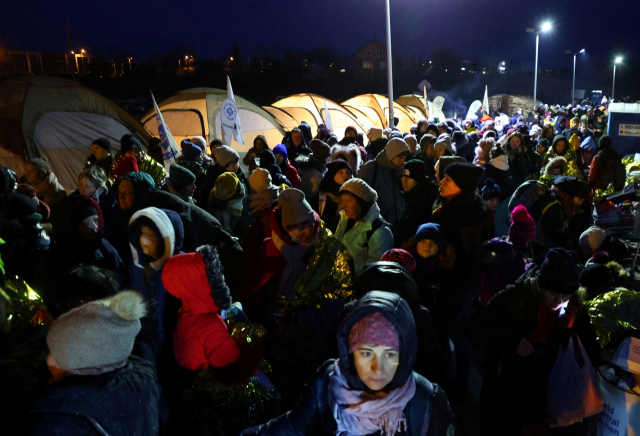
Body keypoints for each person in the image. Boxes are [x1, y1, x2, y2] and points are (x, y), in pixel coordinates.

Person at [241, 291, 456, 436]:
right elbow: (295, 426)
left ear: (404, 354)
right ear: (350, 352)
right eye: (366, 353)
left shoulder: (426, 401)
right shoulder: (329, 381)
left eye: (389, 355)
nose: (377, 368)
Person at [474, 248, 601, 435]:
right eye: (553, 293)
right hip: (511, 380)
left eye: (565, 295)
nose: (559, 301)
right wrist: (514, 340)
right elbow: (475, 326)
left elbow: (590, 348)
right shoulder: (517, 295)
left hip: (545, 384)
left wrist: (567, 329)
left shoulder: (573, 304)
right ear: (541, 285)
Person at [30, 291, 161, 436]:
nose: (47, 357)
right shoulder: (141, 378)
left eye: (54, 350)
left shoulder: (58, 425)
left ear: (76, 367)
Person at [128, 206, 184, 347]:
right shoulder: (136, 265)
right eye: (142, 233)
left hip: (173, 344)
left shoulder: (183, 267)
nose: (144, 241)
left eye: (151, 235)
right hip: (143, 341)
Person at [334, 178, 394, 275]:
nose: (344, 206)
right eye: (342, 201)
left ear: (362, 202)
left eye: (348, 201)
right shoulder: (345, 220)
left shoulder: (380, 232)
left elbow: (375, 269)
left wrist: (346, 273)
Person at [358, 137, 411, 225]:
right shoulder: (370, 169)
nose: (403, 161)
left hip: (398, 225)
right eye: (400, 157)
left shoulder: (402, 170)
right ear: (391, 155)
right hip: (376, 224)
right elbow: (360, 196)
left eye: (405, 158)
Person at [395, 160, 439, 248]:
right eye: (402, 178)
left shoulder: (426, 199)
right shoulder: (408, 196)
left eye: (408, 178)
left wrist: (409, 242)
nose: (404, 182)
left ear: (418, 178)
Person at [311, 159, 352, 234]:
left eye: (348, 172)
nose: (345, 175)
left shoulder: (354, 197)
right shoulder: (320, 199)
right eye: (341, 172)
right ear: (332, 175)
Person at [208, 171, 246, 236]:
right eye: (217, 185)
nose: (217, 190)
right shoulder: (212, 198)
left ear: (231, 191)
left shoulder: (236, 210)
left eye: (223, 188)